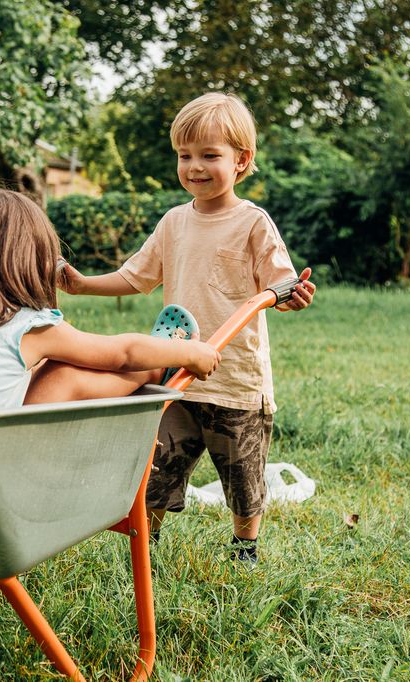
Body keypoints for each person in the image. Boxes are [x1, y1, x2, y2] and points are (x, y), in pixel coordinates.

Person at [59, 92, 317, 565]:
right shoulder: (174, 222)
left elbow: (280, 282)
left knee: (241, 471)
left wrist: (290, 296)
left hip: (235, 381)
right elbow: (134, 276)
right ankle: (145, 541)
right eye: (185, 156)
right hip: (177, 373)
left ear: (242, 161)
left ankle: (245, 546)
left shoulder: (253, 223)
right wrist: (79, 285)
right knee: (157, 465)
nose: (195, 166)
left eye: (209, 155)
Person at [0, 189, 220, 413]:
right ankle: (157, 367)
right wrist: (193, 354)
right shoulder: (27, 327)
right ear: (31, 262)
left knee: (17, 367)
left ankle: (156, 363)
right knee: (60, 373)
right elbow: (120, 352)